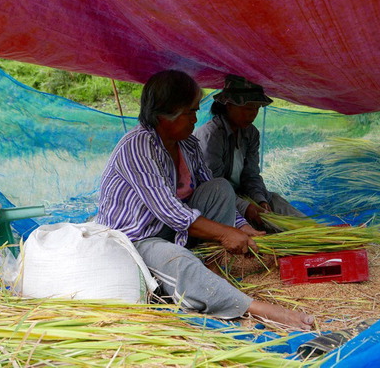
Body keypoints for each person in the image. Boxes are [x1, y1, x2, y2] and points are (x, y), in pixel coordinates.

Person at [97, 69, 314, 330]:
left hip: (173, 229)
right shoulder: (139, 146)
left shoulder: (186, 143)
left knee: (220, 187)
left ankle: (210, 265)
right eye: (190, 112)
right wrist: (225, 234)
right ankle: (253, 308)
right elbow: (171, 212)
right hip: (138, 237)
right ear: (165, 114)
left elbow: (210, 187)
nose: (195, 119)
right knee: (177, 260)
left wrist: (241, 225)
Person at [194, 74, 306, 230]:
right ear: (229, 105)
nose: (252, 114)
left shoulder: (251, 134)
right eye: (247, 108)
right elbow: (215, 186)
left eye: (256, 108)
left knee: (276, 203)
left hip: (243, 196)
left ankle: (315, 231)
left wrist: (260, 201)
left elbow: (251, 175)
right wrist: (245, 207)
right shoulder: (211, 136)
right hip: (218, 201)